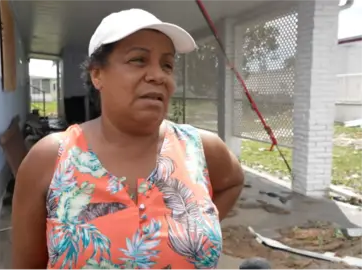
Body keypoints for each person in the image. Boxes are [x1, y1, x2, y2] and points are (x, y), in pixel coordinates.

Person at [12, 8, 244, 270]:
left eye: (167, 65)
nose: (159, 75)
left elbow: (233, 181)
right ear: (97, 74)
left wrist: (198, 228)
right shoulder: (50, 159)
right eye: (138, 60)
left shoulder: (200, 148)